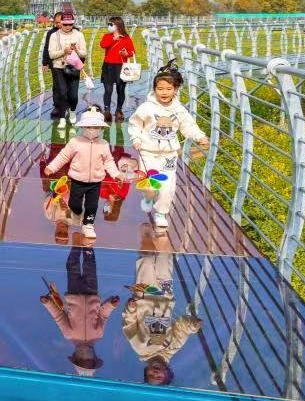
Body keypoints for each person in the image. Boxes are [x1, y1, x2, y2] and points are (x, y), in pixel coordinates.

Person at [128, 61, 209, 229]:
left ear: (175, 89)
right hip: (147, 152)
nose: (164, 92)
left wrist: (199, 136)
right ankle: (148, 197)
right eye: (160, 89)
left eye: (168, 89)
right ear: (154, 89)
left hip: (169, 155)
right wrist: (136, 138)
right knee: (150, 184)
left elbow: (188, 126)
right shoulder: (146, 107)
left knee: (167, 186)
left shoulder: (179, 110)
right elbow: (135, 123)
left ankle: (161, 213)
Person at [122, 224, 202, 385]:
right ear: (167, 372)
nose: (156, 373)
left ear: (146, 371)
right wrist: (193, 326)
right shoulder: (172, 348)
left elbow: (129, 325)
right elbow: (182, 329)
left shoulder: (141, 348)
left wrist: (130, 309)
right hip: (165, 296)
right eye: (159, 376)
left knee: (146, 260)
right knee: (165, 260)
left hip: (144, 296)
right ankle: (161, 232)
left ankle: (145, 235)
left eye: (151, 375)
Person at [44, 107, 125, 240]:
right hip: (77, 180)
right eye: (88, 126)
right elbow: (63, 156)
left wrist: (116, 174)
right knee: (74, 204)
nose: (92, 130)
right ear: (83, 127)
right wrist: (51, 167)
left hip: (95, 182)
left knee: (92, 205)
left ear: (101, 128)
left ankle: (88, 225)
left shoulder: (103, 144)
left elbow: (109, 162)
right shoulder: (75, 142)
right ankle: (76, 213)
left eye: (96, 127)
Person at [40, 246, 120, 377]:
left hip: (73, 293)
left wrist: (48, 303)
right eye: (88, 360)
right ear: (94, 357)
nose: (85, 356)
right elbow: (103, 315)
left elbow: (58, 316)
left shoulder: (69, 335)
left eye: (81, 360)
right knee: (90, 264)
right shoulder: (98, 335)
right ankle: (87, 242)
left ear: (75, 357)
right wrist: (111, 304)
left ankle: (76, 243)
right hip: (92, 292)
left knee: (72, 265)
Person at [47, 13, 87, 128]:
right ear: (61, 23)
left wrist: (77, 50)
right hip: (59, 67)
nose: (68, 27)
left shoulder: (79, 35)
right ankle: (62, 118)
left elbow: (84, 53)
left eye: (70, 24)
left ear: (73, 23)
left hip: (74, 67)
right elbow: (51, 54)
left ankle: (72, 111)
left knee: (73, 94)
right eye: (65, 24)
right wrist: (63, 51)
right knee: (62, 92)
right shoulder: (54, 35)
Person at [99, 16, 136, 122]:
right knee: (108, 90)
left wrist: (126, 54)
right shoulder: (107, 36)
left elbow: (132, 52)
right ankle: (107, 110)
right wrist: (113, 38)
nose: (109, 26)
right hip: (108, 65)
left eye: (111, 25)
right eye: (108, 24)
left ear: (117, 25)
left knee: (121, 90)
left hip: (121, 66)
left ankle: (119, 110)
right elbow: (103, 45)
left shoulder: (126, 38)